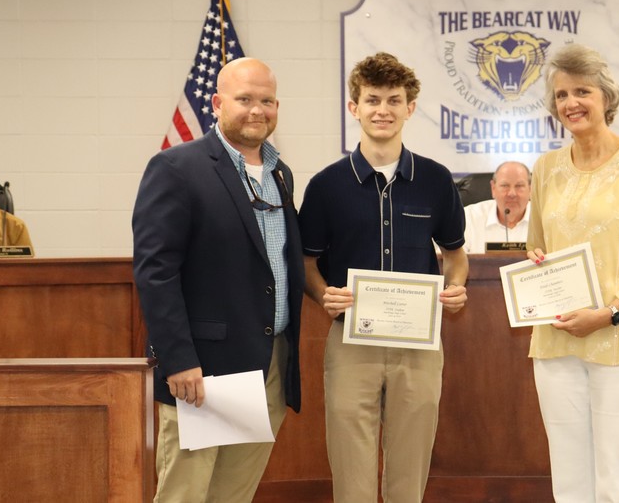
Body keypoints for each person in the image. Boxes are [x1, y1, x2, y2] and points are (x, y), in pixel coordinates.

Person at [132, 58, 304, 503]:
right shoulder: (176, 168)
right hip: (204, 370)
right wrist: (178, 359)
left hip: (269, 362)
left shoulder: (280, 174)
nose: (257, 110)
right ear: (217, 103)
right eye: (244, 99)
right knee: (186, 494)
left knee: (233, 494)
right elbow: (156, 272)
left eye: (267, 101)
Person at [299, 52, 469, 503]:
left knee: (409, 470)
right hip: (351, 342)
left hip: (419, 344)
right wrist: (324, 295)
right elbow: (306, 264)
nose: (383, 110)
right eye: (372, 99)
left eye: (394, 100)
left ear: (410, 108)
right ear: (354, 107)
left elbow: (455, 255)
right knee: (351, 470)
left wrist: (456, 286)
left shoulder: (435, 180)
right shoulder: (326, 186)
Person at [526, 44, 619, 502]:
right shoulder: (545, 168)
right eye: (561, 95)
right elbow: (537, 246)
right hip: (557, 344)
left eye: (582, 91)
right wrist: (536, 265)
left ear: (606, 97)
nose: (570, 103)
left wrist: (609, 313)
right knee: (571, 486)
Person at [461, 160, 532, 253]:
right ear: (493, 188)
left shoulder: (544, 219)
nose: (512, 193)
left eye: (519, 186)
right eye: (505, 186)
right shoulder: (468, 217)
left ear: (530, 189)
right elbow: (453, 258)